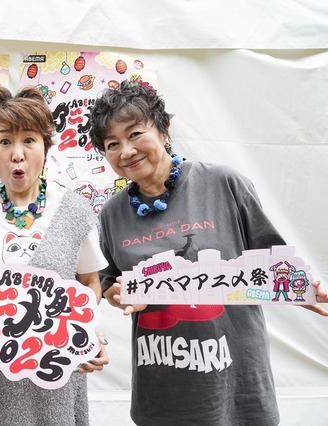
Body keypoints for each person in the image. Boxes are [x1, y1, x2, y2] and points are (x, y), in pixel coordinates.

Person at [88, 80, 328, 426]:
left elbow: (272, 260)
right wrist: (117, 294)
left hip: (237, 383)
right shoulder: (112, 214)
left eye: (135, 134)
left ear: (164, 129)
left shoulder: (224, 183)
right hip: (162, 385)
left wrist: (298, 286)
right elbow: (108, 284)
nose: (126, 151)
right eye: (113, 144)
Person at [0, 85, 110, 426]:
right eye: (4, 141)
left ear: (45, 146)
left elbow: (90, 283)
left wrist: (83, 333)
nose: (17, 154)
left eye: (29, 140)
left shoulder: (73, 210)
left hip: (51, 375)